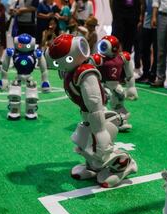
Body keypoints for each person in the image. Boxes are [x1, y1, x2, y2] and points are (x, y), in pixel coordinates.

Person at [46, 34, 138, 188]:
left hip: (99, 117)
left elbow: (94, 102)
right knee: (84, 143)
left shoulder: (85, 72)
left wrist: (101, 131)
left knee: (99, 149)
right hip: (88, 114)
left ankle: (125, 163)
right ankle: (92, 167)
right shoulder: (70, 68)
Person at [90, 35, 138, 131]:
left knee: (118, 103)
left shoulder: (123, 57)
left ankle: (120, 121)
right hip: (103, 85)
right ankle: (101, 121)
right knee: (101, 104)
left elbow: (130, 75)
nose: (102, 48)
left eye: (104, 46)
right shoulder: (98, 58)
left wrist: (132, 87)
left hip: (116, 85)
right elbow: (89, 72)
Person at [0, 33, 51, 120]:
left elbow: (44, 69)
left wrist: (45, 81)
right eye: (20, 44)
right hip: (18, 77)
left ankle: (31, 111)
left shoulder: (35, 53)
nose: (23, 46)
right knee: (14, 95)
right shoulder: (12, 52)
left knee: (32, 96)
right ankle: (14, 110)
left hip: (29, 77)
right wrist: (4, 79)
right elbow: (5, 67)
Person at [136, 0, 157, 84]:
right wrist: (141, 19)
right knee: (144, 49)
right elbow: (143, 5)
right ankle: (145, 73)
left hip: (157, 24)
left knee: (156, 50)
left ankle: (153, 74)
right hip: (146, 23)